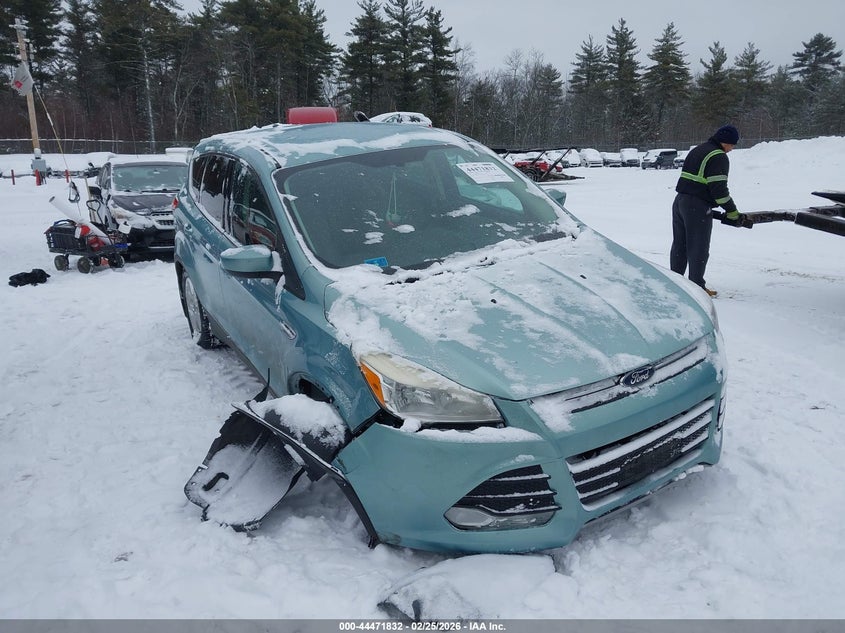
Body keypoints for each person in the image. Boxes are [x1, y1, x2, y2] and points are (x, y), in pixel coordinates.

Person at [670, 124, 749, 297]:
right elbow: (719, 190)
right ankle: (697, 288)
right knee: (698, 246)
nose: (732, 149)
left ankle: (674, 283)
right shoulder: (718, 156)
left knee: (680, 245)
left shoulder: (699, 149)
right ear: (726, 142)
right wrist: (732, 212)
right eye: (732, 145)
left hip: (680, 201)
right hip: (697, 205)